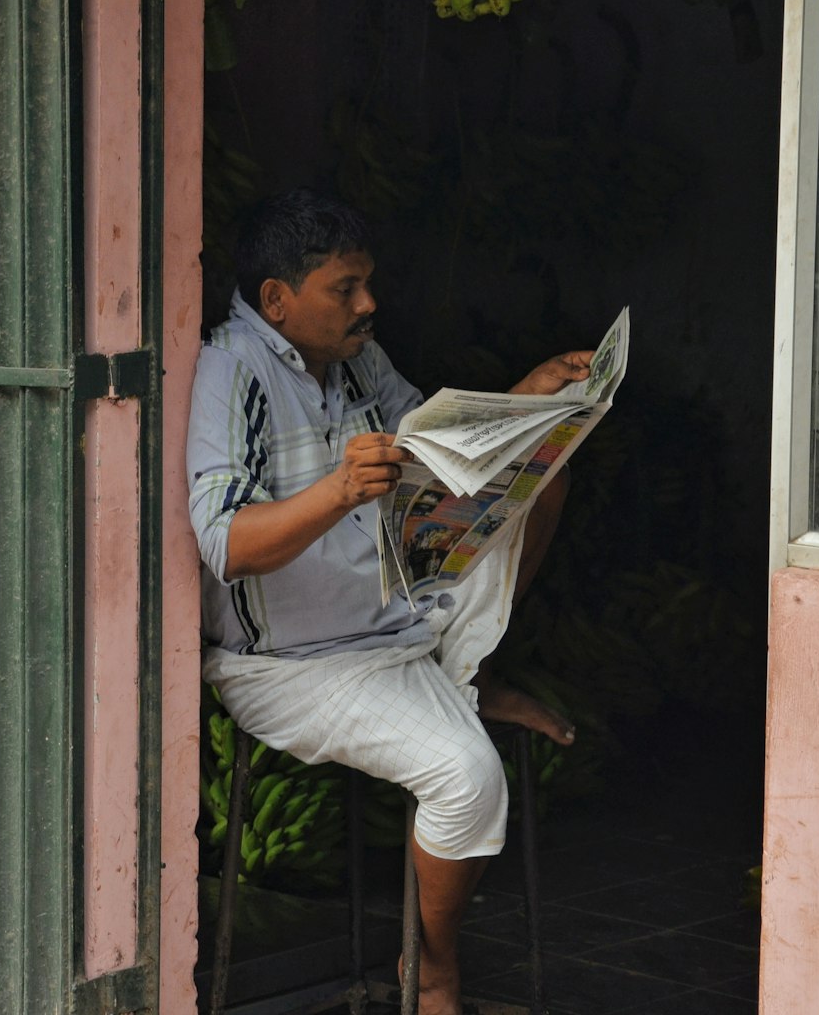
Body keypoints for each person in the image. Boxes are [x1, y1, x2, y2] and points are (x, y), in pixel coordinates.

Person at [186, 189, 590, 1015]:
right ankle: (434, 964)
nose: (369, 303)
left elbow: (440, 453)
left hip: (391, 618)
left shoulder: (357, 360)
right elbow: (223, 542)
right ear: (278, 300)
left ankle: (464, 681)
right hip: (294, 666)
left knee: (545, 481)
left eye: (367, 283)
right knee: (467, 777)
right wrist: (336, 493)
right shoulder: (234, 369)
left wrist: (529, 401)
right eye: (346, 288)